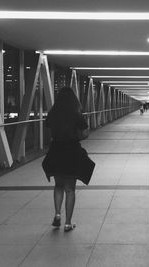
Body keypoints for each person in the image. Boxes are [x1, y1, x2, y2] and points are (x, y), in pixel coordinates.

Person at [42, 87, 95, 232]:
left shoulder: (53, 113)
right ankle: (68, 223)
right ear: (73, 99)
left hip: (56, 151)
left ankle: (57, 214)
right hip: (72, 152)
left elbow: (48, 132)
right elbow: (85, 134)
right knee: (70, 189)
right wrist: (75, 136)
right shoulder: (76, 114)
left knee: (58, 186)